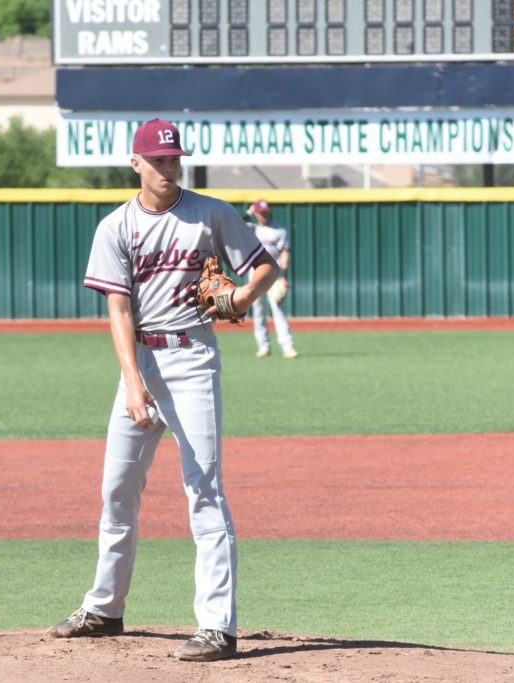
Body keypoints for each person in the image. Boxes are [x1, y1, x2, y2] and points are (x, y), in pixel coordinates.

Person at [47, 119, 280, 662]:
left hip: (194, 356)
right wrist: (133, 383)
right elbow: (118, 308)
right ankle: (105, 608)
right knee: (116, 488)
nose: (169, 167)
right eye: (158, 160)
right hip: (143, 360)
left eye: (175, 159)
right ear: (136, 163)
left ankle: (217, 626)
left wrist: (241, 300)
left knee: (204, 487)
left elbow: (263, 268)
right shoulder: (115, 227)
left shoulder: (212, 212)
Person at [246, 199, 298, 359]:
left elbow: (285, 253)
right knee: (258, 311)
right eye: (261, 212)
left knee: (278, 310)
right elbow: (234, 224)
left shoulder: (279, 230)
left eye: (266, 211)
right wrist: (248, 213)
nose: (264, 214)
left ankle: (287, 347)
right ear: (256, 213)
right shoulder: (250, 229)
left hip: (274, 274)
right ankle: (264, 346)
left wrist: (284, 277)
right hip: (255, 274)